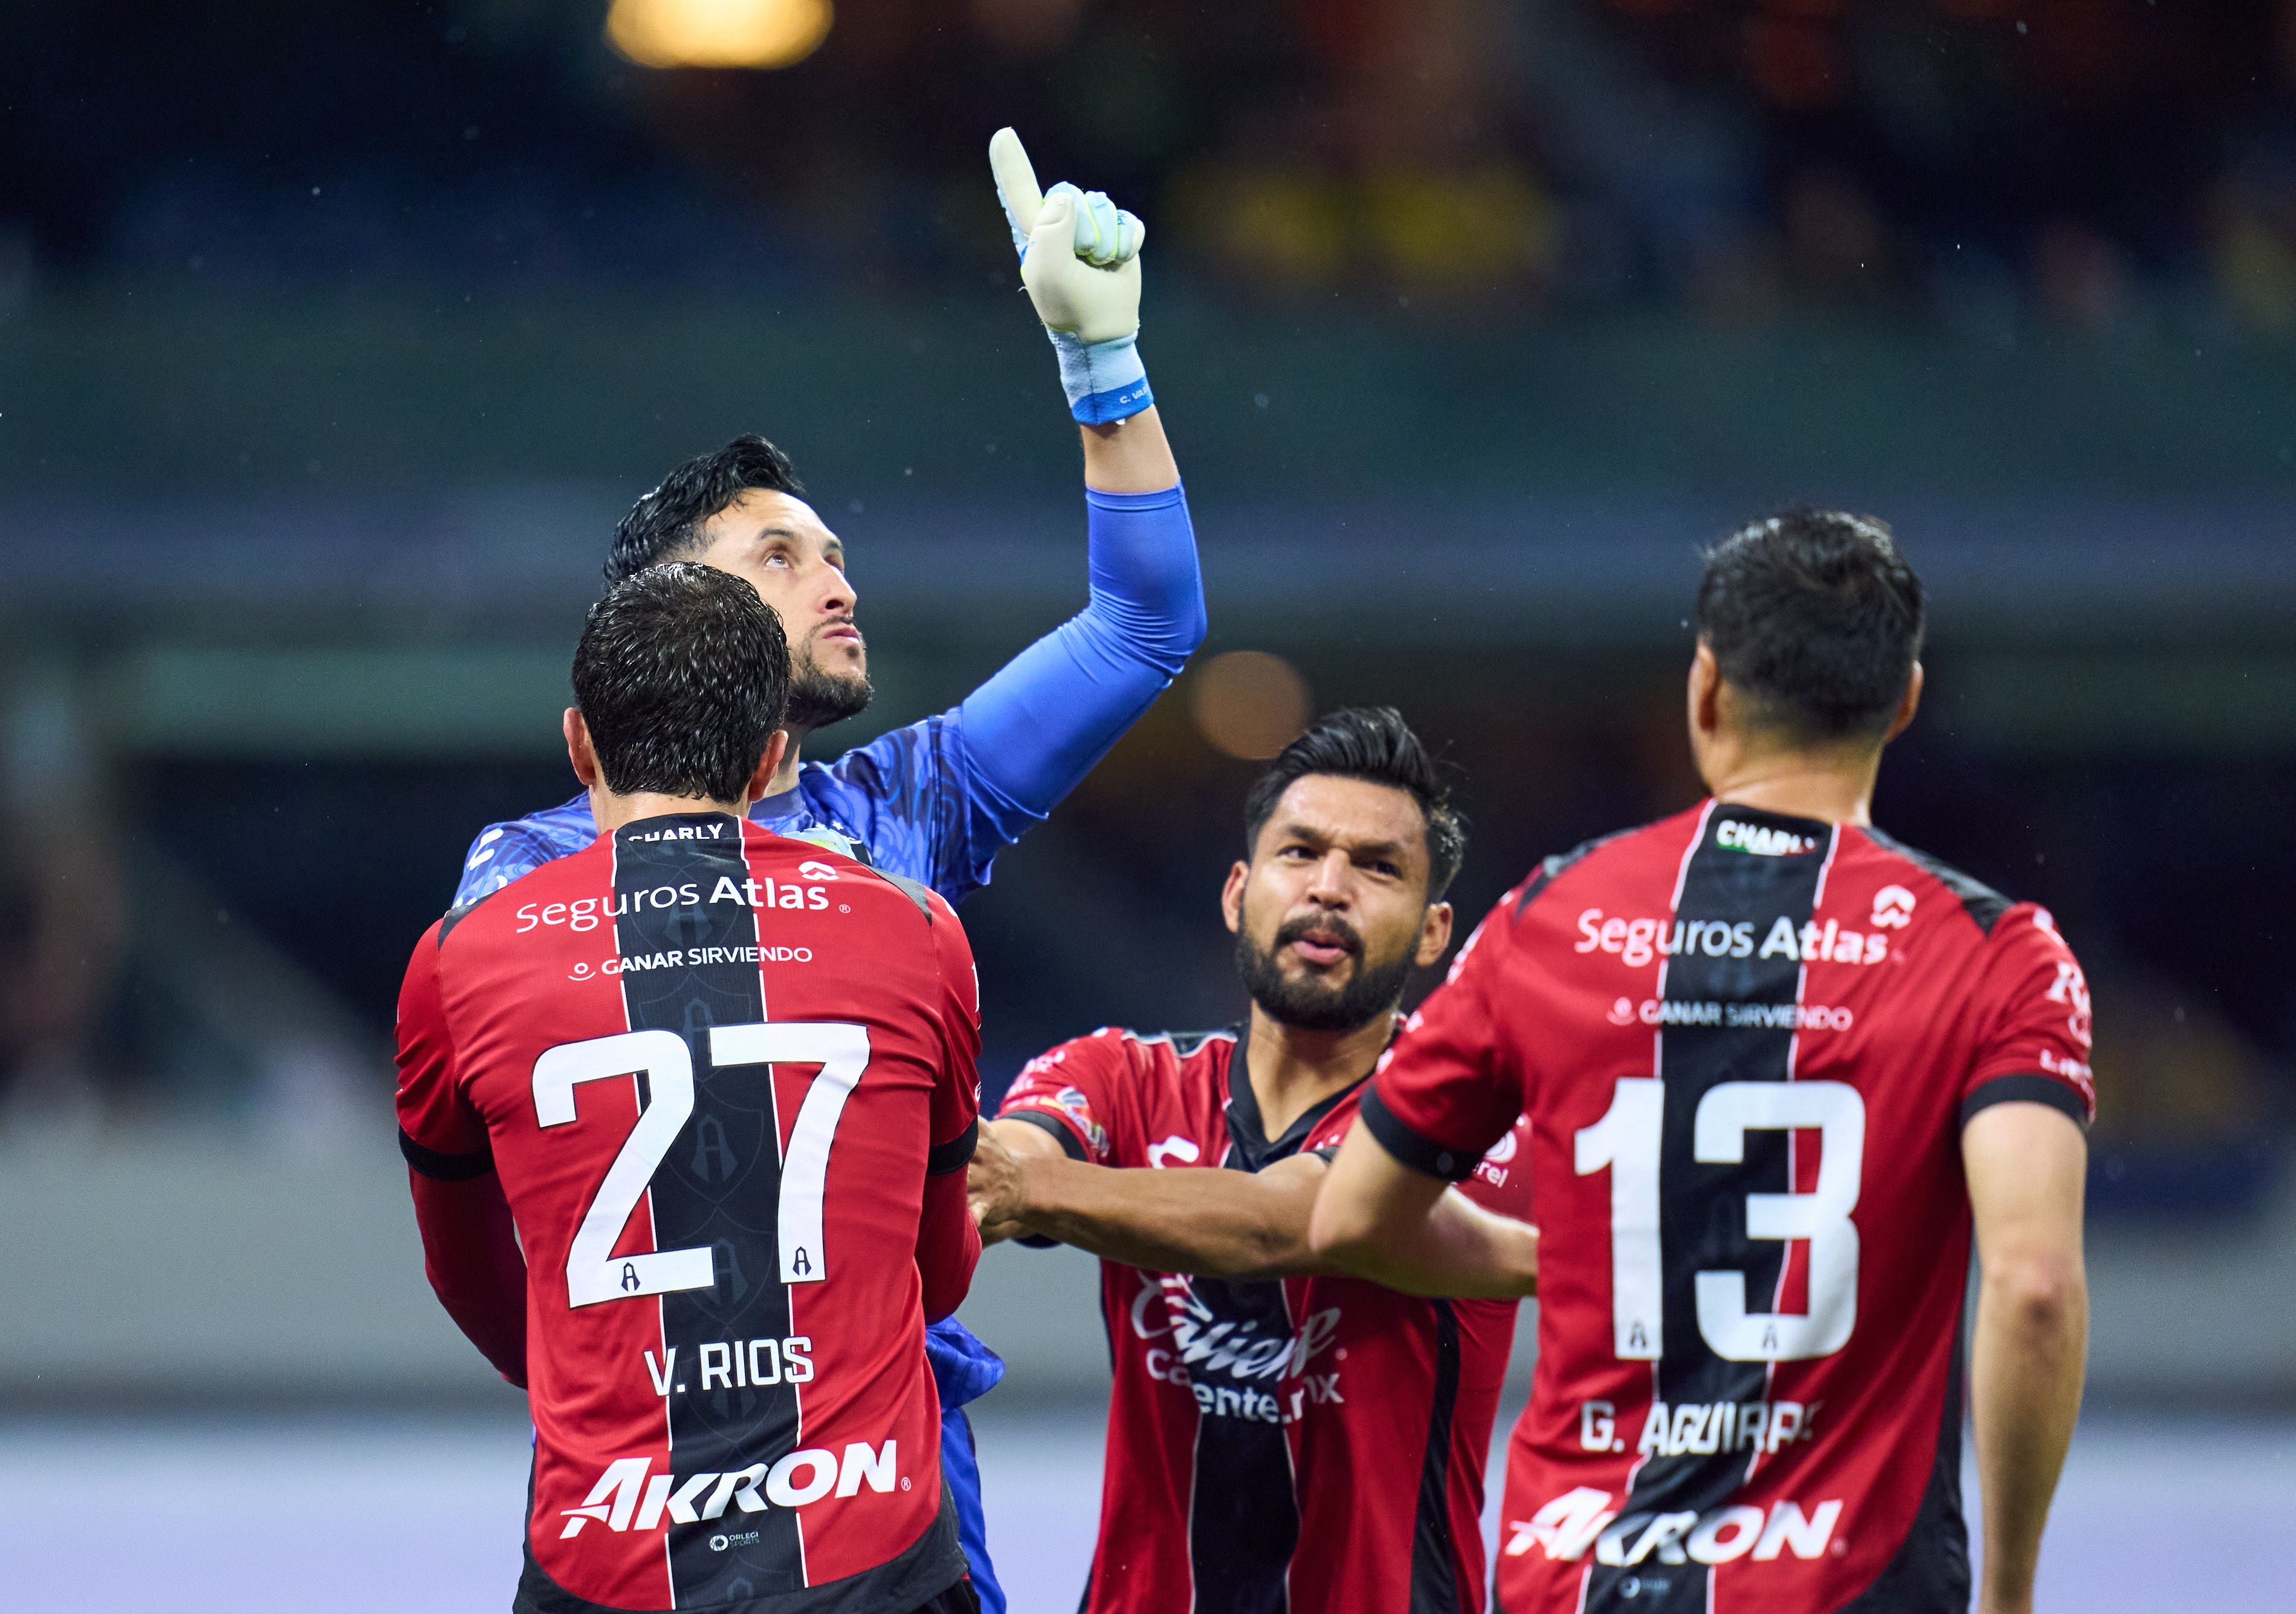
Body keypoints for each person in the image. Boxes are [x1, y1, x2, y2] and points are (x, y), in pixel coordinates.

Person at [448, 131, 1203, 1613]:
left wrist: (1098, 361)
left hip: (893, 1472)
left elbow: (1142, 625)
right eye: (783, 555)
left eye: (837, 550)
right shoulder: (521, 870)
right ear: (668, 610)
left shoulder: (902, 803)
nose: (838, 578)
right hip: (646, 1475)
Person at [1311, 512, 2093, 1614]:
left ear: (1706, 689)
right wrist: (2008, 1592)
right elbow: (2037, 1287)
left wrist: (1581, 1259)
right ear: (1904, 701)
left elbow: (1351, 1219)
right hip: (1856, 1584)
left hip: (1583, 1578)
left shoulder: (1553, 916)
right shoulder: (1998, 955)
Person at [397, 563, 986, 1613]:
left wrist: (589, 1388)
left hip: (605, 1561)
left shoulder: (453, 960)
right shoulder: (920, 932)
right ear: (769, 761)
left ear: (578, 744)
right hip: (875, 1561)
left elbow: (465, 1274)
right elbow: (940, 1273)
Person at [972, 707, 1539, 1614]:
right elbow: (989, 1178)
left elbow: (1292, 1222)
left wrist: (1031, 1186)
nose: (1330, 888)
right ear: (1239, 892)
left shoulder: (1470, 1118)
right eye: (1300, 852)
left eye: (1378, 867)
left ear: (1435, 934)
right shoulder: (1118, 1073)